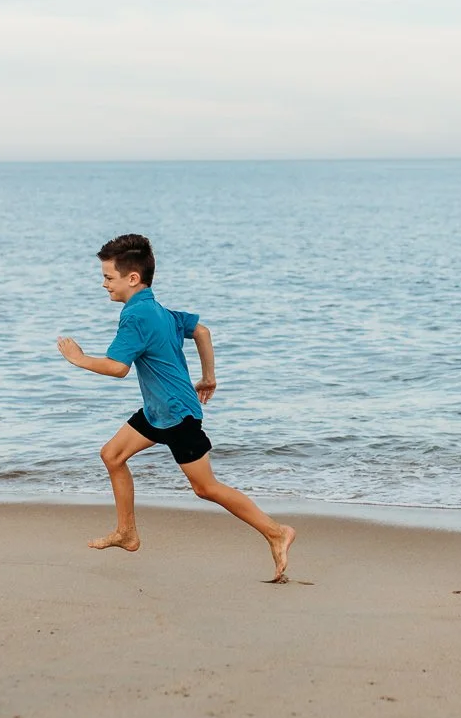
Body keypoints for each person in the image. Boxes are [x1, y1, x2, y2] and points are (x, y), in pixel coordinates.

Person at [56, 233, 296, 582]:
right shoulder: (159, 310)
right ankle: (127, 533)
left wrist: (78, 359)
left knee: (206, 488)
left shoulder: (136, 316)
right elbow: (201, 330)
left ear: (132, 278)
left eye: (109, 277)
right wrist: (208, 378)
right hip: (159, 411)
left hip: (177, 415)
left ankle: (276, 532)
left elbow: (117, 368)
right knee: (112, 455)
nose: (104, 284)